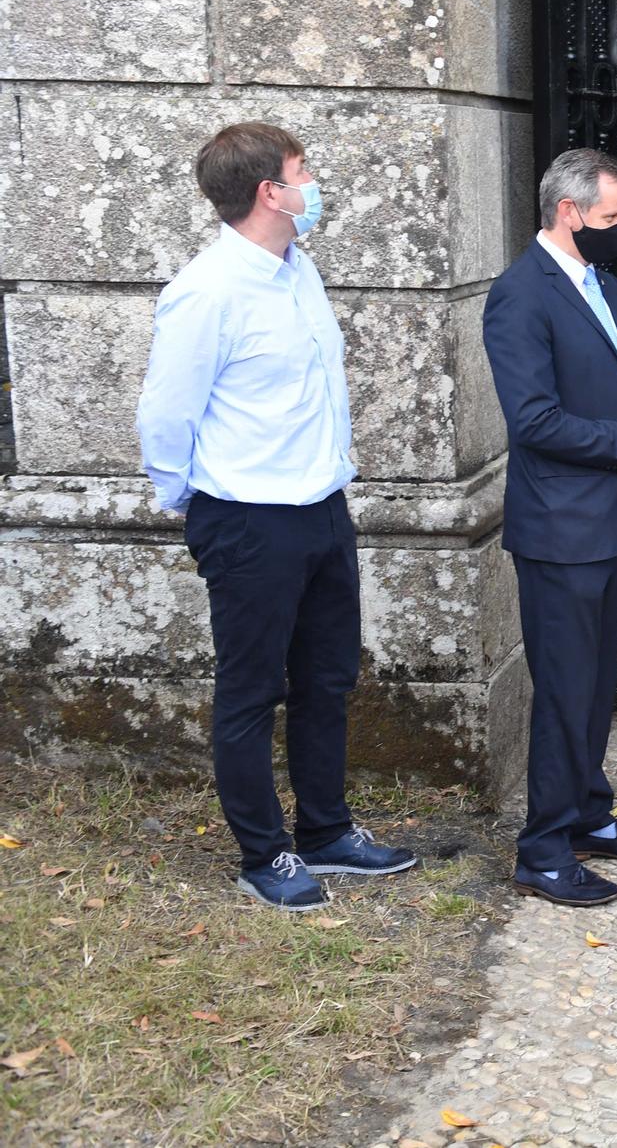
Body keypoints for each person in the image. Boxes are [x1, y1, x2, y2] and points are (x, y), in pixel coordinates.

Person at [137, 122, 416, 911]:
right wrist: (192, 503)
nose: (313, 183)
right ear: (269, 192)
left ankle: (327, 831)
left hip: (322, 508)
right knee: (251, 690)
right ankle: (266, 853)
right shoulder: (207, 290)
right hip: (249, 519)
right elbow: (165, 414)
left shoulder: (299, 271)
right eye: (303, 171)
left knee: (327, 679)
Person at [483, 148, 617, 908]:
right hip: (559, 531)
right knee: (564, 691)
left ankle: (589, 818)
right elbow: (534, 421)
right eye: (611, 218)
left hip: (608, 519)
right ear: (567, 212)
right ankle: (541, 847)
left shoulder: (605, 284)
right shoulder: (519, 296)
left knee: (598, 687)